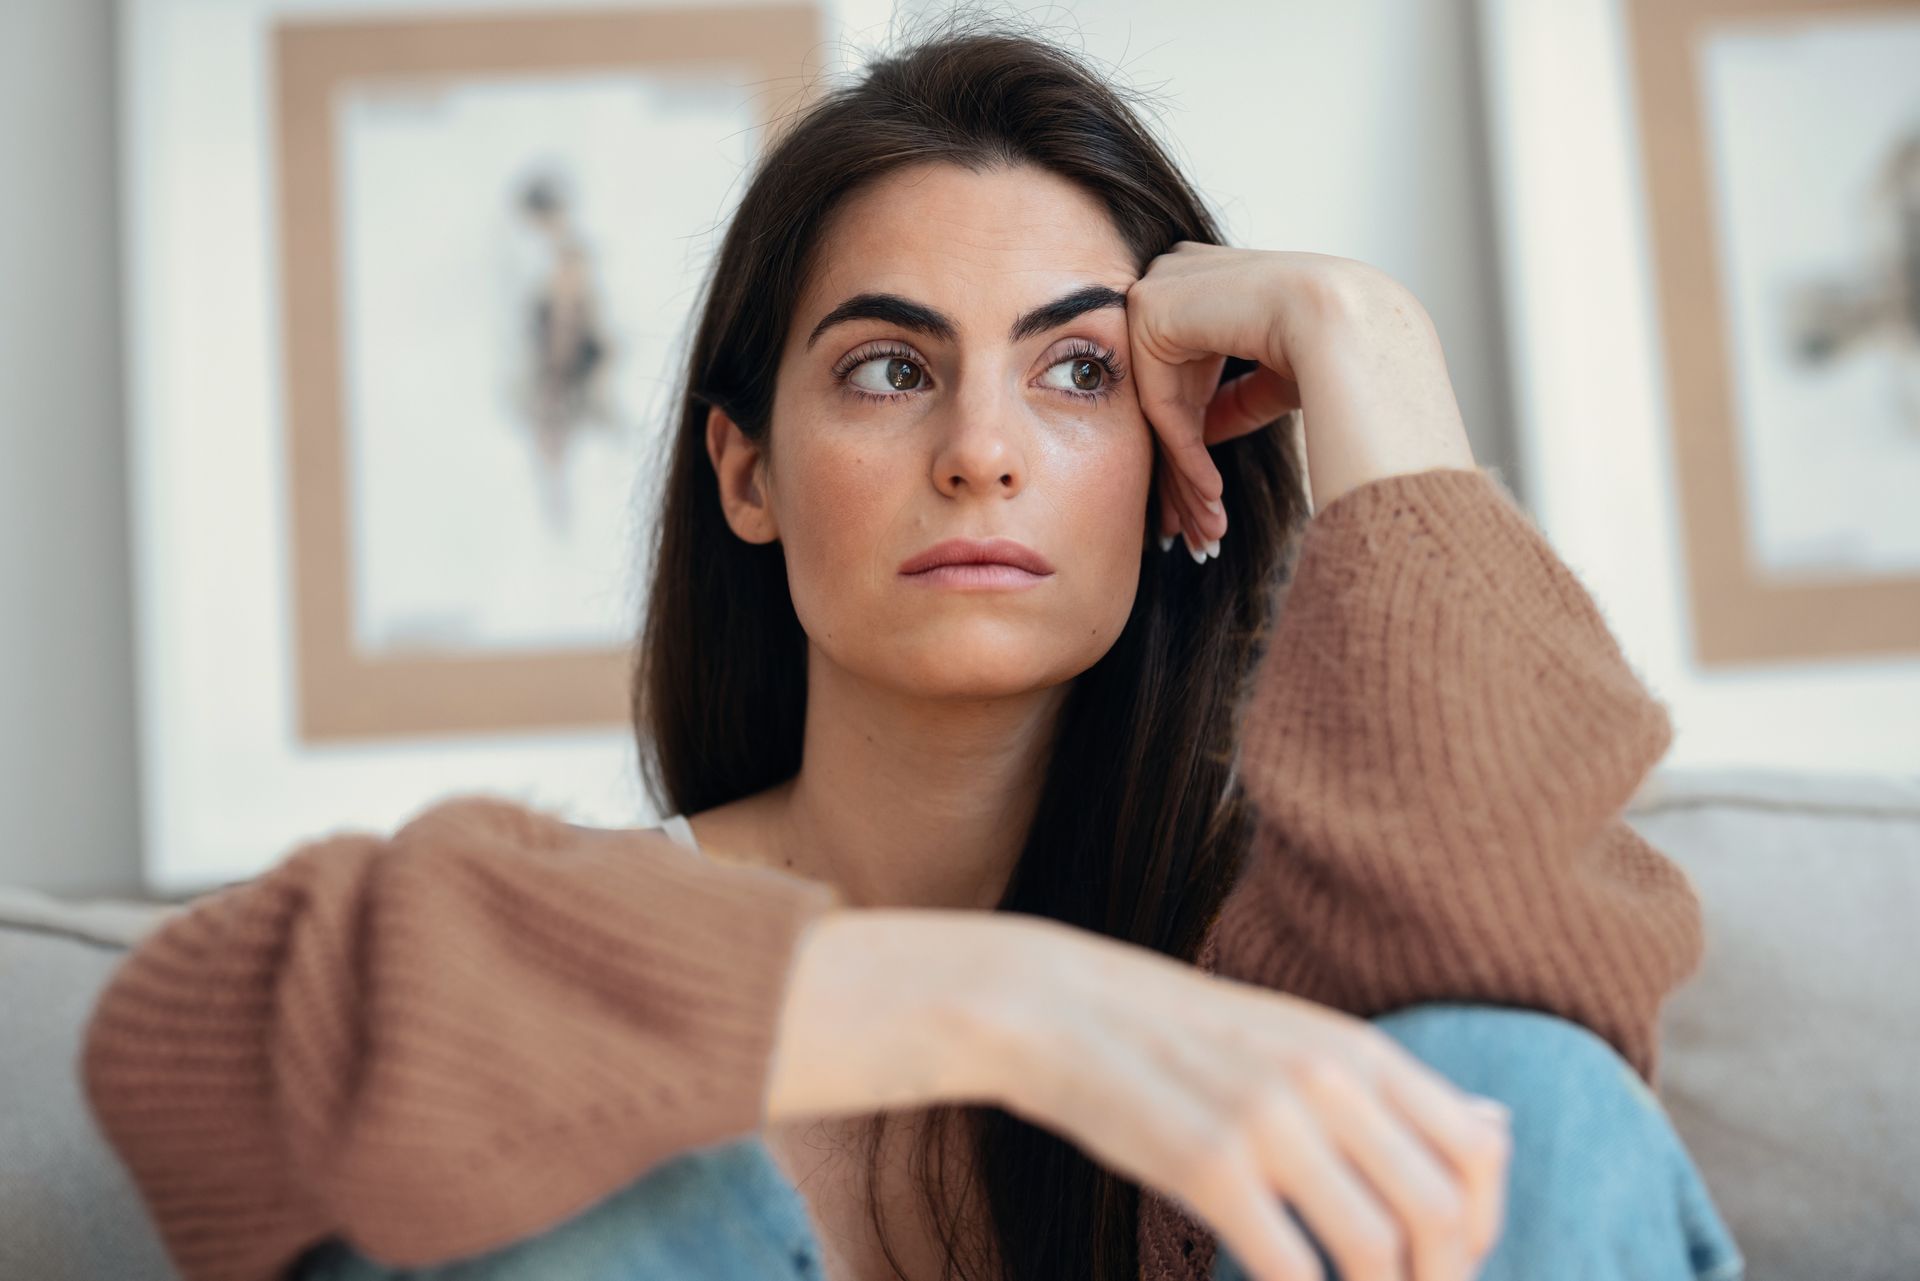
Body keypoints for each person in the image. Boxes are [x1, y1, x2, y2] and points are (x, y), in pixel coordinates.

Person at [81, 14, 1746, 1281]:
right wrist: (1010, 1005)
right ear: (747, 471)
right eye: (890, 367)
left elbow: (1541, 1069)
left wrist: (1371, 347)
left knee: (1501, 1081)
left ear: (1184, 464)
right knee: (574, 1161)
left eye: (1080, 375)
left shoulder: (1282, 965)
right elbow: (175, 1040)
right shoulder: (564, 964)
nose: (983, 449)